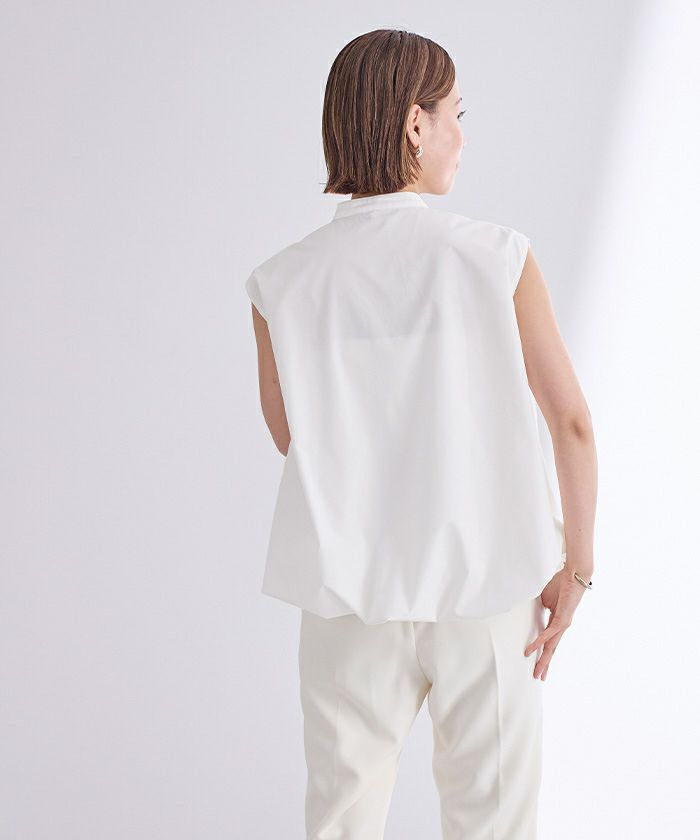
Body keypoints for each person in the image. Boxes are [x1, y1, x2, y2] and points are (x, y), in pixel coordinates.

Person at [244, 28, 597, 840]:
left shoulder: (281, 282)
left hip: (348, 593)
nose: (461, 138)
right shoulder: (496, 257)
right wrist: (576, 569)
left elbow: (292, 437)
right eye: (455, 115)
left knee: (341, 821)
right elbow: (572, 422)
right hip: (487, 587)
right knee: (492, 824)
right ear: (414, 123)